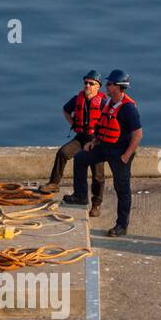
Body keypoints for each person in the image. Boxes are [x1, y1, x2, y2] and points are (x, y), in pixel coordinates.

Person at [65, 69, 141, 236]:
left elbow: (137, 135)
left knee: (122, 189)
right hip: (104, 146)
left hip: (120, 152)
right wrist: (93, 142)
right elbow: (101, 127)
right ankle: (81, 195)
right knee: (81, 158)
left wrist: (126, 156)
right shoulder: (109, 103)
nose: (106, 86)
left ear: (118, 87)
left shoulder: (128, 108)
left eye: (109, 84)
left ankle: (121, 225)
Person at [40, 70, 107, 214]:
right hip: (81, 137)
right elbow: (65, 110)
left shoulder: (103, 103)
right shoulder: (78, 99)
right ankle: (55, 184)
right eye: (86, 83)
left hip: (96, 141)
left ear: (98, 87)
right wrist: (74, 124)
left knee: (98, 174)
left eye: (91, 83)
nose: (87, 86)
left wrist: (99, 138)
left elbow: (109, 121)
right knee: (63, 153)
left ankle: (96, 205)